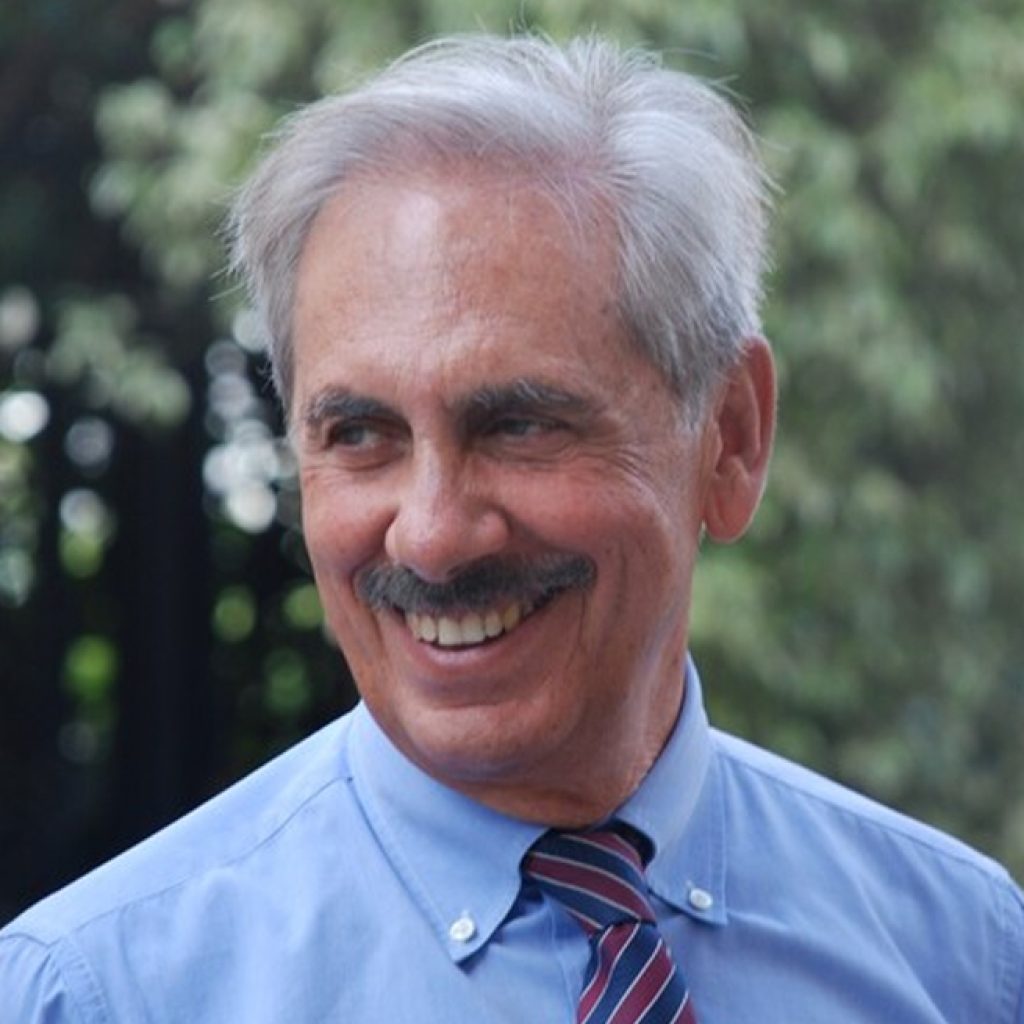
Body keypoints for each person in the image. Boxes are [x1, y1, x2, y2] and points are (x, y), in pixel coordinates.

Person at [1, 32, 1021, 1023]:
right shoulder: (92, 995)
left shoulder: (966, 959)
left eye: (519, 425)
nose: (432, 537)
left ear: (731, 437)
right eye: (360, 434)